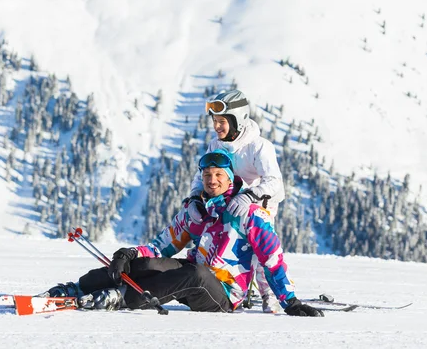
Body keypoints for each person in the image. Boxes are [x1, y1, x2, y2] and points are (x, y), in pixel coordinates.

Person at [44, 150, 322, 317]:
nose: (211, 181)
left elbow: (272, 258)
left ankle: (121, 298)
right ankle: (79, 288)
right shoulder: (198, 212)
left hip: (224, 294)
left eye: (218, 175)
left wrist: (290, 302)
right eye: (206, 176)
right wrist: (127, 254)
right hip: (194, 272)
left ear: (230, 179)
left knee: (195, 275)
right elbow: (160, 246)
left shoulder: (249, 214)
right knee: (145, 264)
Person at [187, 89, 285, 313]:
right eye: (215, 121)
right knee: (215, 246)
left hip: (259, 206)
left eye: (222, 121)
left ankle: (270, 295)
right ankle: (224, 285)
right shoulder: (216, 145)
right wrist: (194, 197)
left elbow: (274, 183)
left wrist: (249, 195)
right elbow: (200, 174)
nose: (217, 127)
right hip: (226, 206)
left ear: (238, 120)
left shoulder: (259, 146)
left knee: (260, 252)